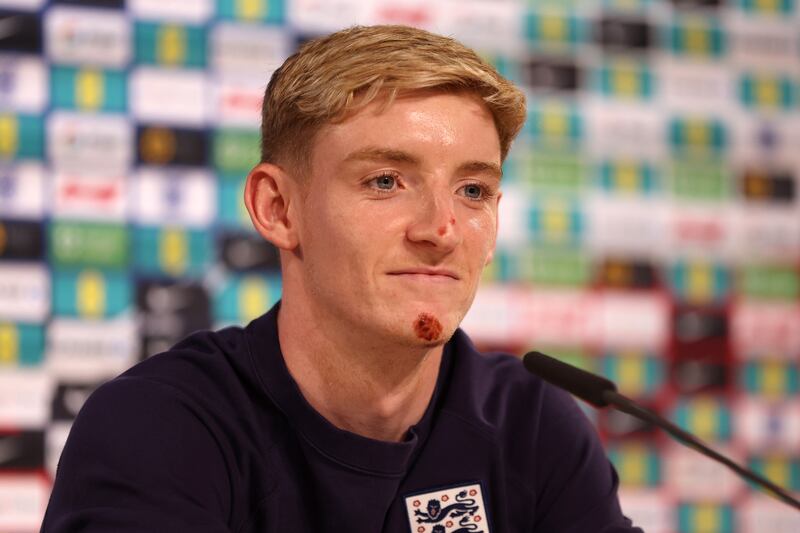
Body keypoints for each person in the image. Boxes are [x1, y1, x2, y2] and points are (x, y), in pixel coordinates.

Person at [42, 25, 642, 532]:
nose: (443, 229)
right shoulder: (158, 426)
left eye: (473, 190)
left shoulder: (529, 424)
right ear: (278, 208)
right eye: (385, 181)